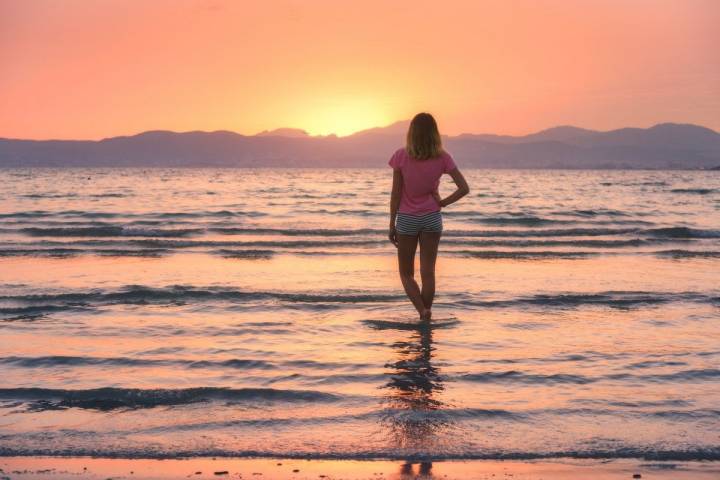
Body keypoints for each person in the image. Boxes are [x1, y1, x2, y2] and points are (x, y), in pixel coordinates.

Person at [388, 112, 469, 320]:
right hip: (432, 218)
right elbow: (463, 188)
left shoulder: (401, 155)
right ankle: (426, 313)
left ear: (411, 132)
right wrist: (442, 203)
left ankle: (423, 312)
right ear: (434, 132)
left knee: (406, 274)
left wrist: (391, 223)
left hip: (407, 219)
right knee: (428, 273)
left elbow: (396, 193)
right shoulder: (443, 157)